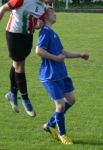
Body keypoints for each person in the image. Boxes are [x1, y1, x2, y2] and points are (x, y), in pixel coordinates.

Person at [0, 0, 62, 117]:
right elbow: (3, 9)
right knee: (20, 66)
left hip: (28, 36)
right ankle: (25, 99)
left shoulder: (45, 6)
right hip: (13, 34)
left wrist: (37, 25)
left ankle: (12, 93)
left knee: (16, 64)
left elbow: (35, 24)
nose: (53, 1)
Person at [35, 7, 89, 145]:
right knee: (60, 106)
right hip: (51, 76)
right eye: (52, 12)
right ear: (46, 15)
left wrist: (80, 55)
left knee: (71, 100)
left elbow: (62, 52)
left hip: (61, 74)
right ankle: (62, 134)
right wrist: (55, 58)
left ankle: (50, 124)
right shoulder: (45, 33)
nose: (55, 14)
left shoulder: (53, 33)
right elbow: (39, 50)